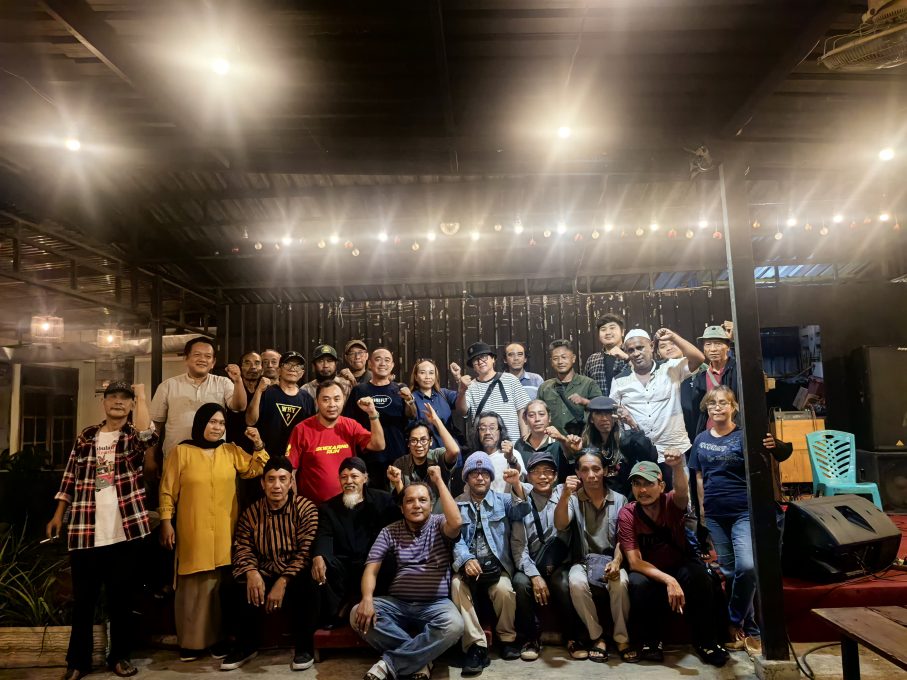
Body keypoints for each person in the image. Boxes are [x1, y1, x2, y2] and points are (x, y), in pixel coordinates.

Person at [47, 382, 156, 680]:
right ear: (104, 402)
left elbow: (148, 435)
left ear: (131, 405)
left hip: (126, 530)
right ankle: (77, 662)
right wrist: (58, 514)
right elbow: (70, 476)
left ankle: (119, 657)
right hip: (85, 529)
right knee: (83, 601)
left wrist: (141, 395)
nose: (118, 402)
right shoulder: (86, 436)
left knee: (121, 600)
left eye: (125, 399)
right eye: (113, 397)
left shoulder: (132, 436)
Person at [158, 403, 269, 661]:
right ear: (201, 423)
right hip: (193, 530)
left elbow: (256, 469)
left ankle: (218, 641)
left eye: (221, 423)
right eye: (212, 422)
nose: (217, 427)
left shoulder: (230, 451)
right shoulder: (181, 452)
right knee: (193, 589)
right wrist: (165, 521)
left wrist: (259, 445)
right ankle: (191, 644)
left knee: (219, 588)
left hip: (224, 532)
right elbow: (167, 490)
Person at [690, 386, 791, 656]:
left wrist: (774, 444)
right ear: (707, 408)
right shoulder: (700, 440)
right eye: (713, 403)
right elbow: (698, 477)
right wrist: (702, 512)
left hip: (744, 512)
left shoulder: (746, 436)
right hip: (715, 514)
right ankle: (752, 630)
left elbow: (784, 452)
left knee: (747, 567)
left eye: (723, 403)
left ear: (734, 407)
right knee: (731, 573)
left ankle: (733, 622)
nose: (718, 407)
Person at [351, 466, 464, 680]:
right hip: (398, 604)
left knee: (454, 625)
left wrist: (439, 481)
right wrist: (366, 598)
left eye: (423, 500)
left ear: (431, 504)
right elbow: (371, 569)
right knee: (357, 613)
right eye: (410, 501)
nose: (417, 505)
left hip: (435, 604)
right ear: (402, 508)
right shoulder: (390, 531)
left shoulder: (440, 524)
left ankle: (389, 664)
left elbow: (457, 522)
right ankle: (422, 660)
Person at [617, 457, 729, 667]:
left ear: (661, 486)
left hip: (679, 563)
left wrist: (677, 466)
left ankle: (707, 641)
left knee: (699, 577)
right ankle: (651, 641)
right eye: (637, 484)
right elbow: (634, 562)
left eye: (649, 483)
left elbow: (682, 492)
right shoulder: (628, 514)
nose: (642, 490)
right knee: (638, 583)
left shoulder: (671, 502)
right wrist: (669, 580)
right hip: (649, 569)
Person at [222, 457, 319, 672]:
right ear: (262, 483)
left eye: (282, 479)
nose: (276, 485)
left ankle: (304, 648)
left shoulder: (306, 508)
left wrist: (282, 582)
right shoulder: (251, 512)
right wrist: (251, 572)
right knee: (230, 585)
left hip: (293, 573)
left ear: (291, 482)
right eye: (271, 479)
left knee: (309, 584)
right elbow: (242, 546)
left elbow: (306, 551)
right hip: (263, 570)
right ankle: (245, 646)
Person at [451, 452, 529, 675]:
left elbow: (522, 510)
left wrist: (517, 484)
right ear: (467, 478)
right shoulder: (457, 503)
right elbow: (454, 537)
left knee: (504, 589)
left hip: (496, 567)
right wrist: (466, 559)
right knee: (456, 585)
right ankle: (476, 646)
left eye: (485, 473)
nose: (480, 478)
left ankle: (507, 639)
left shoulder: (503, 500)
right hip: (468, 568)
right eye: (474, 473)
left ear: (491, 477)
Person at [554, 447, 634, 663]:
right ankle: (597, 636)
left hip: (612, 560)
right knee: (576, 582)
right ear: (578, 473)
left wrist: (617, 561)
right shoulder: (573, 499)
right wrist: (565, 494)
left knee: (620, 582)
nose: (591, 475)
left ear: (605, 471)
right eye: (585, 470)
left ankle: (621, 638)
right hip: (583, 561)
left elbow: (624, 538)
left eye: (596, 469)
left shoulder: (620, 500)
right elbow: (560, 524)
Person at [610, 328, 705, 488]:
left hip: (673, 448)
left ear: (652, 346)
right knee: (646, 496)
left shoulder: (670, 367)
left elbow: (699, 358)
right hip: (640, 452)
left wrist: (674, 337)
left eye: (640, 347)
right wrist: (622, 414)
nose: (636, 353)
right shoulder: (620, 380)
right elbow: (614, 410)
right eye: (631, 350)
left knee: (680, 496)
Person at [311, 457, 401, 628]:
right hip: (345, 563)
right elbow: (324, 535)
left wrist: (398, 484)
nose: (349, 481)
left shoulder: (382, 499)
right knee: (323, 564)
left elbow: (403, 513)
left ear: (365, 478)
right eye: (344, 477)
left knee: (390, 560)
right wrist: (319, 556)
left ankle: (378, 607)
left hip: (374, 562)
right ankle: (335, 615)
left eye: (354, 476)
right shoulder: (328, 508)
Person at [510, 452, 582, 662]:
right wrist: (534, 575)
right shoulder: (521, 502)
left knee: (563, 582)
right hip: (533, 563)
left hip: (560, 563)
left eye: (548, 471)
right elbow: (518, 547)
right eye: (536, 472)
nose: (543, 476)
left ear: (556, 475)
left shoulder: (565, 495)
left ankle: (572, 637)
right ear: (529, 476)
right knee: (520, 582)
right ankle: (531, 638)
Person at [149, 336, 246, 468]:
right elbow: (156, 426)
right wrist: (150, 457)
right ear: (186, 358)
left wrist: (238, 380)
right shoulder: (168, 386)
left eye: (208, 356)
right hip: (176, 459)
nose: (202, 359)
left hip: (213, 459)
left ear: (213, 362)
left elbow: (239, 406)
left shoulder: (223, 383)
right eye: (197, 355)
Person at [287, 380, 385, 505]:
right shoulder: (301, 429)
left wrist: (372, 413)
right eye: (326, 400)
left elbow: (379, 445)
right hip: (313, 508)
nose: (332, 404)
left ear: (343, 400)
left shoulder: (351, 425)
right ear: (317, 402)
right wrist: (295, 505)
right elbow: (290, 471)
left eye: (337, 399)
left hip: (348, 504)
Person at [558, 396, 658, 499]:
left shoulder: (628, 439)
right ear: (591, 419)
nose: (604, 418)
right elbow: (580, 474)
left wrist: (631, 422)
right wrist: (578, 452)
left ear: (615, 417)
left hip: (627, 497)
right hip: (599, 499)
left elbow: (651, 457)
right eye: (598, 414)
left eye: (608, 413)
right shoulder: (587, 443)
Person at [345, 347, 415, 487]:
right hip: (368, 457)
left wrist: (409, 401)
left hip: (397, 455)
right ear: (370, 364)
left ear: (392, 365)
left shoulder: (400, 389)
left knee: (399, 495)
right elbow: (349, 423)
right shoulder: (359, 390)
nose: (383, 363)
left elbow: (412, 415)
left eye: (387, 360)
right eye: (378, 359)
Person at [386, 405, 460, 511]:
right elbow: (401, 501)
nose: (419, 445)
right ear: (408, 443)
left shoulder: (438, 456)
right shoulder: (400, 464)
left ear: (431, 441)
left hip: (439, 517)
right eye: (414, 440)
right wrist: (398, 483)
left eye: (423, 440)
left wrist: (436, 421)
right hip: (413, 516)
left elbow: (454, 451)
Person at [454, 341, 530, 444]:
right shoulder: (470, 386)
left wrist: (524, 441)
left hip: (512, 443)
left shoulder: (510, 379)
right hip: (484, 446)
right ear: (473, 366)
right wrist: (462, 391)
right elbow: (463, 411)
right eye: (476, 360)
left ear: (493, 359)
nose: (480, 362)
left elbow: (522, 411)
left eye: (484, 357)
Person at [246, 351, 314, 459]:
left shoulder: (307, 399)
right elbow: (250, 421)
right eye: (288, 365)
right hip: (266, 457)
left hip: (296, 458)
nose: (292, 369)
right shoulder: (266, 393)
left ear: (302, 373)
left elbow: (311, 433)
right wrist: (258, 391)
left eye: (297, 366)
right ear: (279, 370)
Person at [537, 339, 602, 437]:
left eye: (564, 357)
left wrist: (583, 401)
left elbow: (601, 409)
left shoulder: (588, 384)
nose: (560, 362)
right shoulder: (545, 387)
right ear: (551, 362)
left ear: (573, 358)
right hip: (553, 440)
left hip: (583, 439)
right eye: (555, 358)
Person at [690, 325, 738, 437]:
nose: (713, 349)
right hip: (710, 434)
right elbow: (699, 411)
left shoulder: (738, 369)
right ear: (704, 349)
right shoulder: (701, 377)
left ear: (728, 347)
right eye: (708, 344)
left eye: (718, 344)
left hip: (735, 433)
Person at [470, 411, 527, 493]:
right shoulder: (474, 458)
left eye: (492, 428)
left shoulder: (512, 453)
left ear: (500, 431)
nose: (487, 432)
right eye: (482, 428)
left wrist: (511, 458)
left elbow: (520, 476)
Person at [513, 399, 569, 482]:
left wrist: (563, 439)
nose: (537, 419)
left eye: (541, 414)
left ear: (549, 417)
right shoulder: (520, 444)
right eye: (531, 415)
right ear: (525, 419)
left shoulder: (560, 442)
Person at [408, 358, 458, 448]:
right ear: (416, 377)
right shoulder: (411, 398)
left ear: (436, 376)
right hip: (426, 451)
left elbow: (464, 401)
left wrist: (458, 378)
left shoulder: (444, 394)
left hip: (450, 450)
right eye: (422, 372)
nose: (427, 376)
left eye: (431, 373)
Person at [226, 351, 263, 453]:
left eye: (257, 363)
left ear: (262, 369)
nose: (253, 367)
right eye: (247, 363)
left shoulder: (267, 390)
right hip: (232, 448)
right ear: (240, 367)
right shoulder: (230, 387)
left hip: (259, 449)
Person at [583, 314, 629, 395]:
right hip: (600, 403)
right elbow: (586, 388)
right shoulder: (592, 360)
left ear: (622, 332)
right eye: (603, 329)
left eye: (612, 328)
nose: (608, 333)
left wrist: (627, 358)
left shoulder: (632, 354)